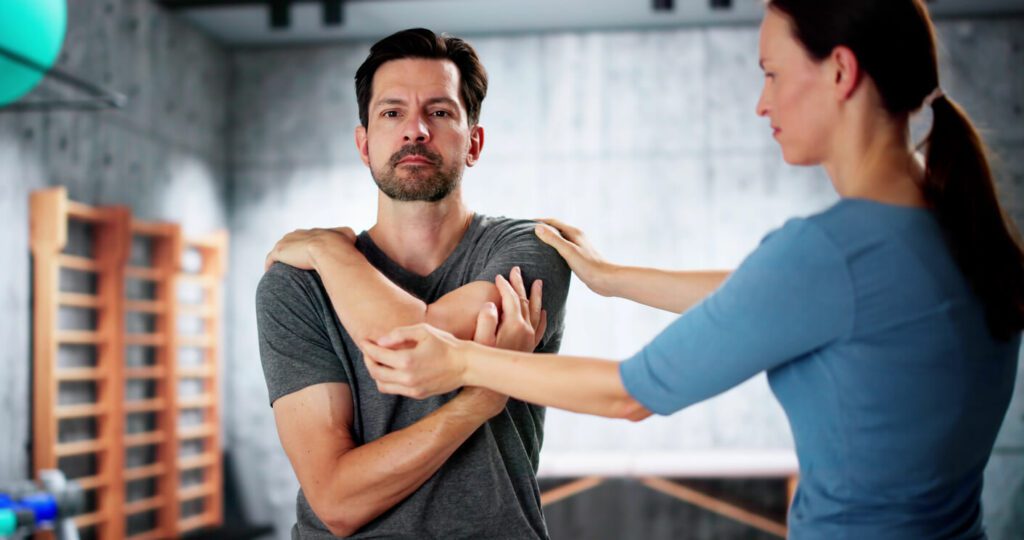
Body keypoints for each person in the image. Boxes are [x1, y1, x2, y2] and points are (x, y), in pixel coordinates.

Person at [360, 2, 1024, 538]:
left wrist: (463, 364)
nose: (762, 104)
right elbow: (765, 296)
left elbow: (630, 394)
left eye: (770, 72)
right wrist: (613, 276)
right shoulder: (953, 232)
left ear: (840, 72)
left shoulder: (830, 252)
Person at [255, 28, 569, 539]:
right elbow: (336, 499)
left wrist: (329, 251)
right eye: (392, 112)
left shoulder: (533, 250)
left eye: (440, 112)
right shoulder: (298, 287)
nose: (416, 130)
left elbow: (418, 349)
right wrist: (478, 400)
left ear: (474, 142)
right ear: (364, 143)